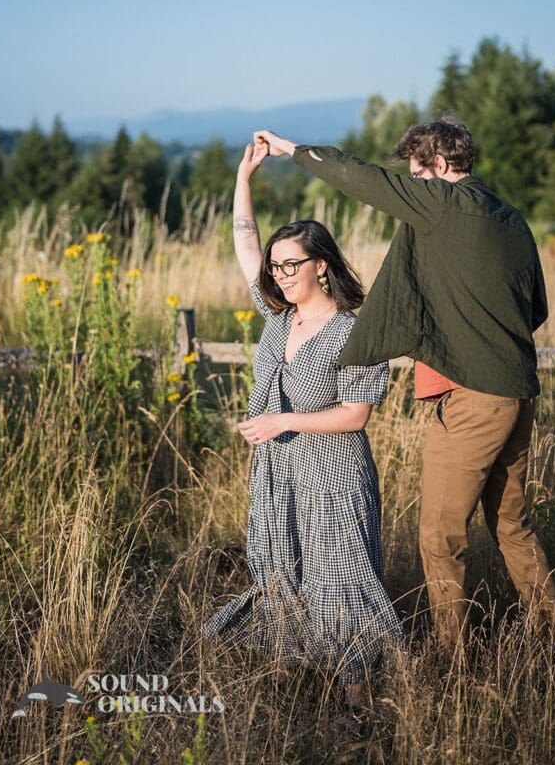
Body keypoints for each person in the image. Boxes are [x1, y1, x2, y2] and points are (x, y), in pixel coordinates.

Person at [252, 118, 555, 651]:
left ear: (440, 167)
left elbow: (361, 178)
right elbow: (536, 307)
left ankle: (453, 659)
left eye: (418, 172)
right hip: (518, 390)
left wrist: (294, 150)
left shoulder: (440, 203)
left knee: (438, 537)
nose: (413, 182)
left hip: (473, 398)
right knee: (511, 523)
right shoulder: (510, 218)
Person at [201, 141, 405, 710]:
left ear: (321, 265)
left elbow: (357, 414)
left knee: (340, 583)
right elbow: (245, 244)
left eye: (292, 264)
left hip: (334, 477)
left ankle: (359, 706)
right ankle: (298, 691)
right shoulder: (277, 315)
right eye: (276, 266)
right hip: (279, 474)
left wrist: (282, 419)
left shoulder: (354, 332)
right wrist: (244, 177)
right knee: (282, 574)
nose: (280, 274)